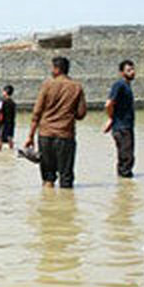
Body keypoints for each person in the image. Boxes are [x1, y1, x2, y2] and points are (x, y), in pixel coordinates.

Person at [25, 56, 87, 188]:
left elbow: (37, 112)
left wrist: (30, 136)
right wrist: (68, 113)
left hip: (45, 135)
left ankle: (48, 203)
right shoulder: (76, 87)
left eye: (52, 68)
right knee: (66, 177)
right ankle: (67, 205)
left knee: (48, 178)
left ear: (57, 69)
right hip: (65, 135)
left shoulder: (47, 85)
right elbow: (81, 114)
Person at [103, 60, 137, 178]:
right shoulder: (119, 85)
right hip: (121, 127)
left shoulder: (127, 86)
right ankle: (125, 188)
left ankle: (123, 187)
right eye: (128, 70)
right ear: (122, 73)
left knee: (126, 157)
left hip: (126, 126)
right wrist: (111, 118)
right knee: (126, 158)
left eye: (133, 69)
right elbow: (109, 104)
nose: (132, 72)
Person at [0, 85, 17, 150]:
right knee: (10, 138)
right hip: (11, 123)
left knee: (0, 138)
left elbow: (0, 111)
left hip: (4, 122)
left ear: (6, 92)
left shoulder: (3, 102)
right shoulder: (13, 103)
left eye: (3, 91)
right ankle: (11, 150)